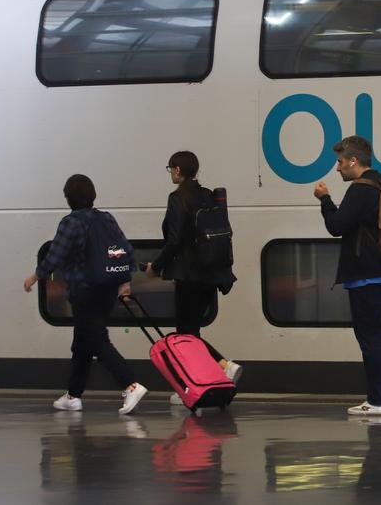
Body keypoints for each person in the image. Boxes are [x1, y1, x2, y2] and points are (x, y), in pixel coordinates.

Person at [313, 135, 381, 417]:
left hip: (366, 273)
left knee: (368, 333)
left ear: (353, 160)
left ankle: (379, 399)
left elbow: (337, 226)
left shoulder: (360, 190)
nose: (337, 169)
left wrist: (325, 200)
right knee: (371, 328)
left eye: (339, 162)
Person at [23, 174, 148, 414]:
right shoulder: (106, 218)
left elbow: (55, 255)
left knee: (98, 340)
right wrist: (125, 280)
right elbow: (126, 249)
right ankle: (73, 395)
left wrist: (35, 276)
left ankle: (130, 385)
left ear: (68, 198)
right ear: (92, 196)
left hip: (85, 289)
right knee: (83, 342)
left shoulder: (71, 223)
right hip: (108, 287)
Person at [146, 150, 242, 406]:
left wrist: (156, 266)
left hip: (188, 275)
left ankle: (221, 366)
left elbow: (175, 240)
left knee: (185, 336)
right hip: (211, 273)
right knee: (192, 332)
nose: (171, 174)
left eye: (170, 169)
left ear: (177, 170)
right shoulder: (208, 195)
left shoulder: (178, 198)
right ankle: (201, 383)